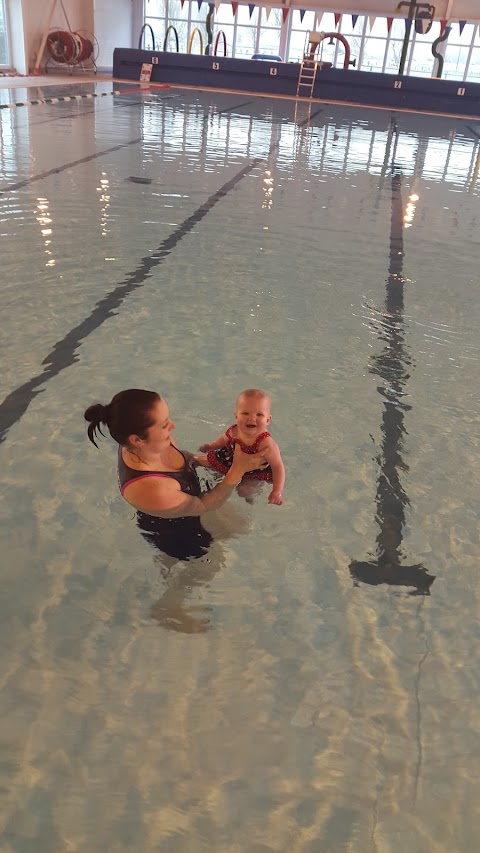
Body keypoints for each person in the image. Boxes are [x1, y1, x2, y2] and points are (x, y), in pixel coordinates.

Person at [84, 389, 268, 562]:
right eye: (164, 425)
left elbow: (184, 458)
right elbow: (203, 505)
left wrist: (217, 461)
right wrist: (237, 469)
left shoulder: (145, 440)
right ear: (137, 440)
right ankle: (174, 588)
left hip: (188, 501)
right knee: (212, 565)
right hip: (177, 531)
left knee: (242, 528)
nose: (173, 426)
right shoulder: (151, 488)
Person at [195, 389, 285, 505]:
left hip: (254, 471)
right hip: (230, 460)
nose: (252, 418)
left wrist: (277, 491)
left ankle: (250, 498)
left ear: (268, 420)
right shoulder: (235, 430)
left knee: (243, 491)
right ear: (236, 416)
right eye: (245, 413)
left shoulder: (266, 444)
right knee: (204, 462)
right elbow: (223, 439)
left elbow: (278, 466)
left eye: (259, 414)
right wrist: (211, 446)